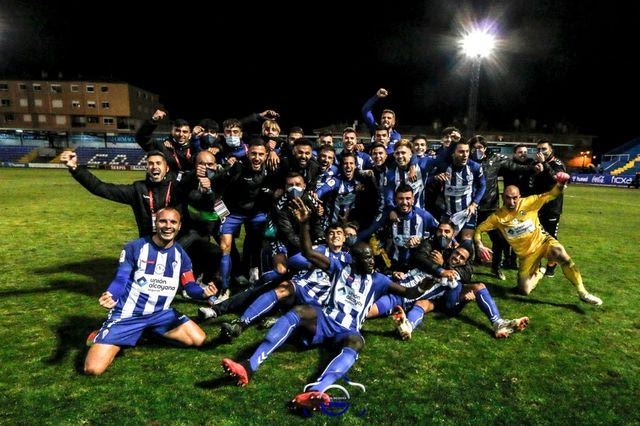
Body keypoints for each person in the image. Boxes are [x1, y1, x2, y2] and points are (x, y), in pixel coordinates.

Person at [221, 198, 436, 412]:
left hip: (347, 329)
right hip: (325, 319)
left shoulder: (378, 280)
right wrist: (305, 224)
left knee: (357, 341)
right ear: (354, 260)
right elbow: (308, 252)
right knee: (298, 312)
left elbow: (408, 292)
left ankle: (317, 391)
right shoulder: (339, 267)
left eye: (371, 258)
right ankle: (249, 366)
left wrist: (421, 287)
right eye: (367, 258)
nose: (372, 262)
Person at [84, 208, 217, 375]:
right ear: (156, 223)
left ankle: (148, 332)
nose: (168, 226)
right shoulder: (135, 247)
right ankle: (107, 334)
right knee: (93, 369)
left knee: (199, 339)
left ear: (179, 226)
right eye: (163, 221)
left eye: (173, 222)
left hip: (162, 314)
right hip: (129, 315)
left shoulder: (181, 256)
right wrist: (112, 294)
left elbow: (189, 285)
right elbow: (121, 278)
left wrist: (202, 293)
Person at [474, 174, 603, 305]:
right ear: (503, 197)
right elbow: (479, 230)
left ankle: (582, 292)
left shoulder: (529, 202)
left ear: (519, 196)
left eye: (514, 198)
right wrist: (479, 245)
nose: (511, 202)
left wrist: (560, 184)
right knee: (524, 290)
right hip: (526, 256)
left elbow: (551, 194)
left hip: (543, 243)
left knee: (560, 252)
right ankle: (541, 271)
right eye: (508, 198)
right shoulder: (497, 217)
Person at [368, 245, 528, 340]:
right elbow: (416, 260)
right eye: (456, 253)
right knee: (422, 302)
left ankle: (498, 323)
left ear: (465, 262)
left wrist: (463, 300)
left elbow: (451, 304)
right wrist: (396, 272)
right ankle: (406, 325)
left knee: (479, 286)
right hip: (401, 285)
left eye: (461, 257)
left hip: (413, 297)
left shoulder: (461, 273)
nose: (457, 257)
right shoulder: (435, 255)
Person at [60, 150, 196, 238]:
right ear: (147, 168)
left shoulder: (179, 187)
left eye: (158, 163)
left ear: (166, 168)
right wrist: (75, 168)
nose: (154, 166)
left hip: (177, 243)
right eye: (150, 164)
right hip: (148, 244)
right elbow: (100, 188)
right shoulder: (137, 189)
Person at [470, 136, 542, 279]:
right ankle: (471, 264)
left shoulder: (495, 160)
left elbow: (516, 167)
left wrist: (533, 168)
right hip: (471, 207)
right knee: (468, 238)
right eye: (474, 148)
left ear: (485, 148)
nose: (477, 150)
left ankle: (496, 268)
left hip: (490, 208)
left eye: (480, 147)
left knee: (500, 240)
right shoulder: (466, 161)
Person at [532, 139, 567, 278]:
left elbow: (556, 179)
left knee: (551, 240)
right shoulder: (537, 164)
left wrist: (545, 165)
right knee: (536, 238)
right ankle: (536, 265)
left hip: (552, 208)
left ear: (551, 150)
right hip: (537, 207)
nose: (541, 152)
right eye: (538, 149)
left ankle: (551, 268)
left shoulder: (557, 164)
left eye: (544, 149)